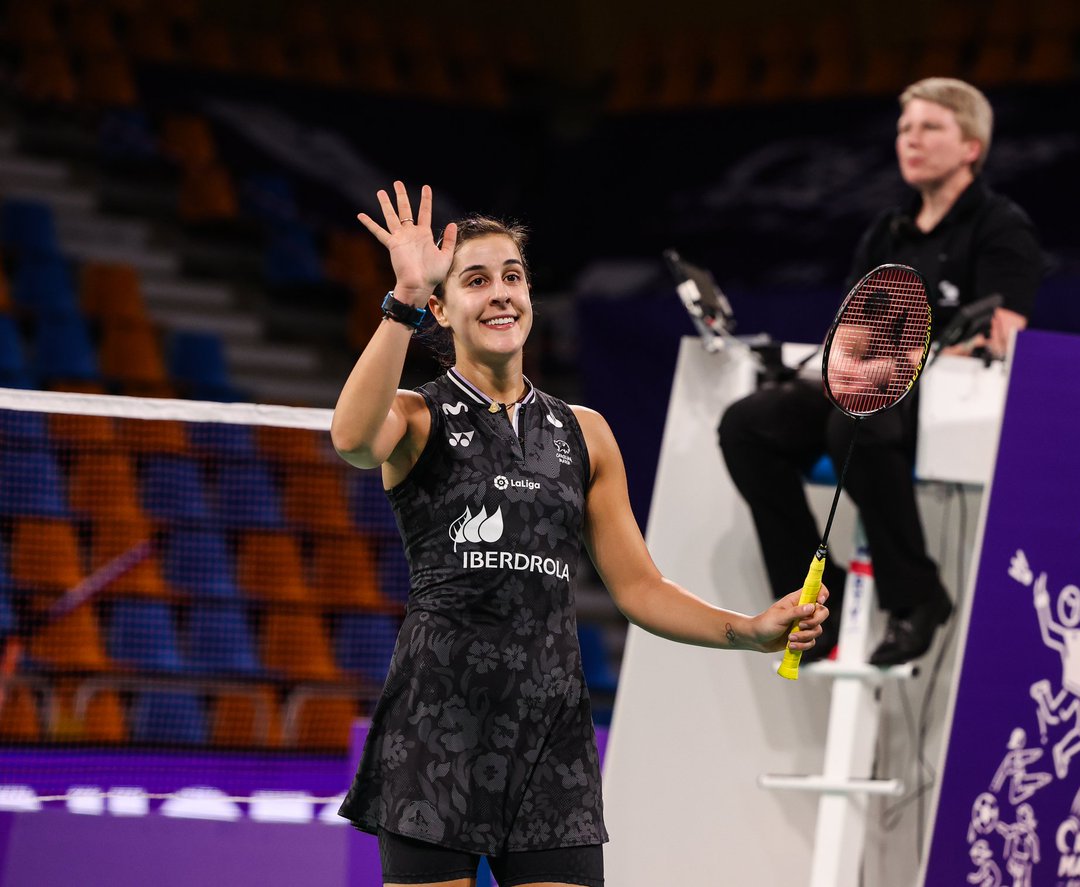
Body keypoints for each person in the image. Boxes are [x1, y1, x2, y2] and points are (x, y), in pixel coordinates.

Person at [330, 181, 830, 887]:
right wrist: (402, 296)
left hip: (550, 736)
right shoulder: (417, 416)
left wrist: (747, 629)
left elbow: (640, 586)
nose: (501, 293)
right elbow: (351, 439)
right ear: (442, 309)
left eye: (513, 277)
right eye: (476, 281)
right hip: (438, 722)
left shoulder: (583, 432)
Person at [718, 77, 1043, 667]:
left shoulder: (1000, 226)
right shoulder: (886, 233)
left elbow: (1002, 339)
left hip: (947, 401)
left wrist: (895, 367)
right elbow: (851, 336)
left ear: (971, 146)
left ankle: (916, 597)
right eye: (904, 129)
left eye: (930, 128)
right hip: (866, 389)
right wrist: (846, 365)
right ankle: (823, 596)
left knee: (855, 426)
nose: (910, 141)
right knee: (749, 424)